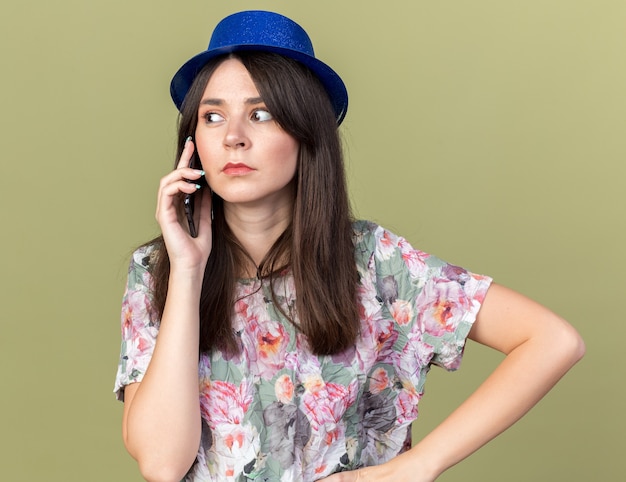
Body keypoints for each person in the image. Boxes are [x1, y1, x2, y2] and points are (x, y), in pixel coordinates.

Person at [114, 10, 585, 482]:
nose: (233, 138)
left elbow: (553, 340)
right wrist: (188, 270)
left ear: (306, 131)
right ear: (193, 142)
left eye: (261, 114)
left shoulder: (376, 263)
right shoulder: (159, 269)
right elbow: (162, 464)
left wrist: (419, 465)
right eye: (212, 116)